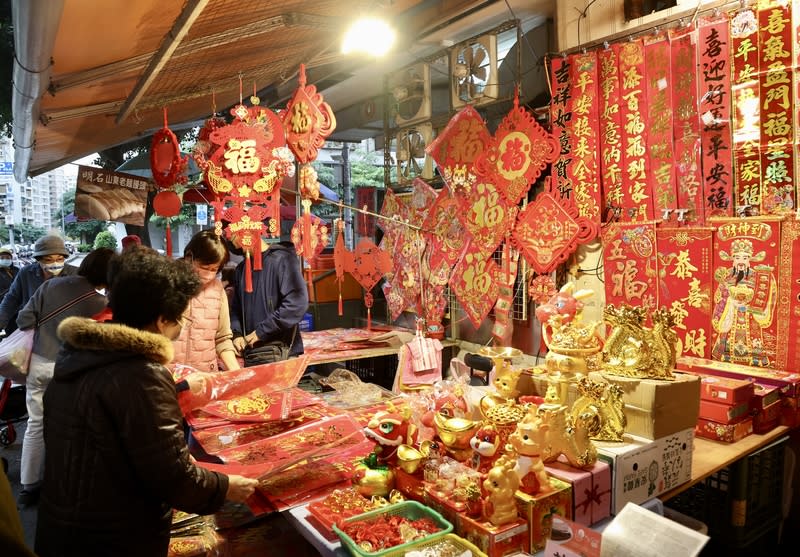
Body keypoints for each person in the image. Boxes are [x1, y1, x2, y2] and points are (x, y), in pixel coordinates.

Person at [35, 249, 258, 557]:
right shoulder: (142, 375)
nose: (179, 327)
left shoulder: (78, 357)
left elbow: (113, 449)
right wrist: (226, 487)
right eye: (178, 318)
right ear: (161, 319)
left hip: (62, 529)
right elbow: (172, 478)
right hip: (114, 537)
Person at [14, 248, 114, 508]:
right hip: (70, 371)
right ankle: (62, 486)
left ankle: (28, 486)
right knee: (68, 428)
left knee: (35, 425)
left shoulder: (51, 285)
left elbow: (23, 318)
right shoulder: (100, 304)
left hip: (38, 364)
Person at [229, 234, 308, 366]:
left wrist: (262, 331)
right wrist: (236, 334)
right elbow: (235, 308)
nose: (233, 243)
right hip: (253, 354)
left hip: (282, 352)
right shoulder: (241, 269)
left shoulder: (283, 260)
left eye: (233, 236)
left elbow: (297, 303)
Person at [172, 230, 239, 372]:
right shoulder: (167, 281)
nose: (209, 274)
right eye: (204, 267)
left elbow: (223, 339)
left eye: (214, 269)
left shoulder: (218, 290)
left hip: (205, 376)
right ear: (189, 257)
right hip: (169, 376)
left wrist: (237, 373)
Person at [711, 238, 777, 366]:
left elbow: (768, 298)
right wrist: (730, 302)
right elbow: (719, 298)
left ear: (750, 260)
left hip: (751, 319)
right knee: (725, 357)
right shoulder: (726, 276)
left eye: (745, 258)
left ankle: (755, 361)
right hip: (730, 318)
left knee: (754, 349)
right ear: (732, 259)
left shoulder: (759, 277)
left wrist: (750, 303)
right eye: (737, 257)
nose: (741, 262)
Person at [0, 235, 77, 336]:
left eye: (60, 259)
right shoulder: (26, 273)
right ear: (38, 259)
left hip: (63, 331)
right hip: (31, 329)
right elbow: (11, 299)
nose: (55, 263)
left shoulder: (75, 274)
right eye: (48, 260)